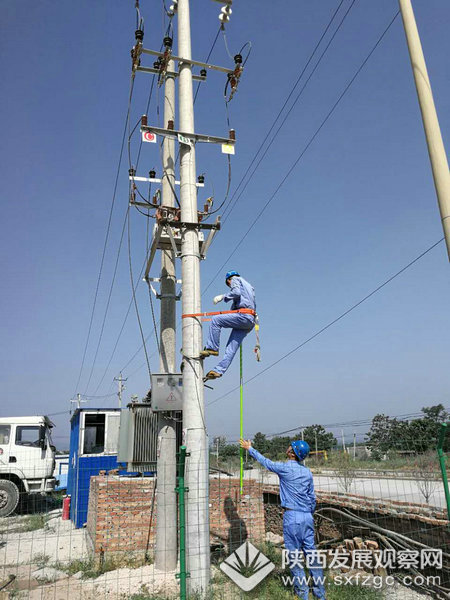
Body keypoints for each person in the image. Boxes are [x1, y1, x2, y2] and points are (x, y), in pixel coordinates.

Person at [239, 438, 327, 600]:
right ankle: (320, 594)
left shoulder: (285, 468)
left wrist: (250, 448)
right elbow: (311, 497)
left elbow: (266, 462)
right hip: (307, 516)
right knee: (312, 554)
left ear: (292, 453)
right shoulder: (307, 472)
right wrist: (309, 512)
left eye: (290, 447)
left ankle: (302, 594)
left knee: (294, 555)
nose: (287, 447)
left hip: (292, 516)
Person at [201, 271, 256, 381]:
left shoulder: (235, 279)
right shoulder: (249, 287)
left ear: (229, 280)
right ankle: (218, 371)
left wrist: (223, 296)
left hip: (244, 316)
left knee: (216, 320)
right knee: (231, 348)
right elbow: (240, 303)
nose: (230, 285)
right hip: (249, 320)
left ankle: (212, 348)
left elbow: (236, 292)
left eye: (229, 284)